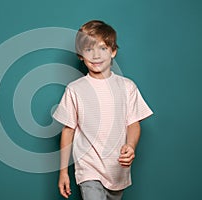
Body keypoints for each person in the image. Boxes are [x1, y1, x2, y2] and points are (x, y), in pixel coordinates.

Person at [53, 20, 153, 200]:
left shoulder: (127, 87)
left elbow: (133, 124)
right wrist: (63, 172)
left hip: (117, 172)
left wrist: (131, 146)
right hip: (89, 169)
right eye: (89, 50)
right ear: (81, 56)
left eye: (102, 48)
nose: (96, 55)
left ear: (113, 51)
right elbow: (68, 131)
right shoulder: (75, 89)